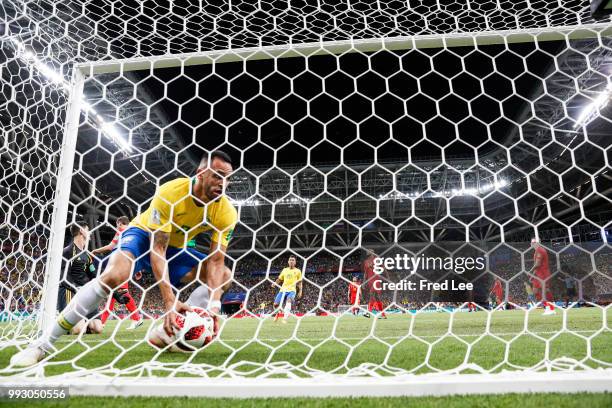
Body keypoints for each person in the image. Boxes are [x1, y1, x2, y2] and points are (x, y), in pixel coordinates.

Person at [11, 150, 237, 367]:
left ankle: (173, 330)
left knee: (224, 276)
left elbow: (216, 260)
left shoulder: (226, 211)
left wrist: (214, 307)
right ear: (200, 174)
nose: (222, 183)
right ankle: (43, 344)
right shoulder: (171, 192)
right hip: (143, 236)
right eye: (217, 176)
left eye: (227, 179)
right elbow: (157, 248)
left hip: (175, 249)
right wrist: (169, 302)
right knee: (113, 276)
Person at [93, 216, 142, 329]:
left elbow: (110, 247)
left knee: (123, 292)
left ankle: (137, 319)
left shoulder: (121, 231)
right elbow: (137, 250)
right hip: (126, 264)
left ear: (119, 223)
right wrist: (138, 269)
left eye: (117, 225)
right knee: (113, 294)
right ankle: (103, 322)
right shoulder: (133, 231)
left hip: (121, 265)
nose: (117, 227)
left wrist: (96, 251)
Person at [58, 222, 103, 335]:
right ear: (82, 231)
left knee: (97, 328)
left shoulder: (86, 256)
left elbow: (95, 276)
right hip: (69, 292)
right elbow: (63, 278)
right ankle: (64, 322)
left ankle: (81, 322)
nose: (90, 232)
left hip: (84, 293)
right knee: (78, 330)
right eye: (88, 230)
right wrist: (77, 288)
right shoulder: (67, 252)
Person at [528, 238, 555, 315]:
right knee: (535, 291)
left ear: (538, 243)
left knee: (545, 290)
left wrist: (530, 271)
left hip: (543, 274)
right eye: (531, 242)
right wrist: (533, 275)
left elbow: (537, 264)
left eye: (534, 242)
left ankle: (551, 309)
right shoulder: (536, 251)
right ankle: (547, 307)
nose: (532, 243)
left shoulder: (540, 250)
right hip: (538, 274)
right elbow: (537, 266)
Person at [272, 256, 303, 324]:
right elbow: (279, 279)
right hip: (283, 290)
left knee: (288, 301)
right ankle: (278, 313)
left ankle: (285, 318)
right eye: (290, 260)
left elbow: (300, 282)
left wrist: (300, 291)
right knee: (275, 305)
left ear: (295, 262)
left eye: (293, 260)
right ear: (288, 262)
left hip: (292, 290)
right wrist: (275, 283)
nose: (291, 261)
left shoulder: (298, 271)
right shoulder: (284, 270)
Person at [363, 252, 386, 319]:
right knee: (376, 298)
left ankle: (368, 313)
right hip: (371, 281)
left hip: (376, 280)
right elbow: (365, 273)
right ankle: (383, 315)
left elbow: (383, 268)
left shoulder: (377, 259)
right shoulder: (366, 262)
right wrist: (364, 282)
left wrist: (386, 277)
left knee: (372, 295)